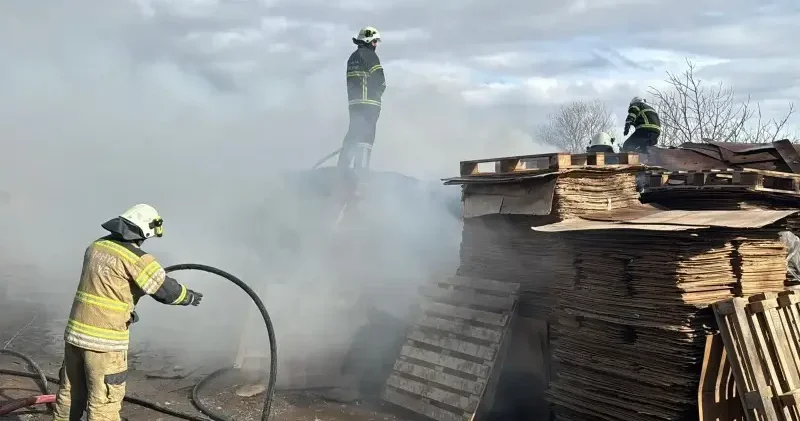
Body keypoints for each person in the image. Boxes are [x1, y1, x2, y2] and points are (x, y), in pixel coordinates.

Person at [52, 204, 203, 421]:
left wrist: (126, 309)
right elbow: (166, 292)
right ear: (145, 232)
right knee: (103, 402)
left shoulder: (95, 247)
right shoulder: (137, 259)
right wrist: (187, 296)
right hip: (105, 345)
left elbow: (107, 287)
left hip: (75, 337)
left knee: (70, 394)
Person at [337, 26, 386, 172]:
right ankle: (362, 171)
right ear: (370, 41)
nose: (376, 45)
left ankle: (343, 167)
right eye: (375, 42)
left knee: (353, 134)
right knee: (366, 138)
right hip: (369, 105)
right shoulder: (370, 56)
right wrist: (377, 95)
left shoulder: (352, 58)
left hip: (354, 104)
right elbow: (381, 81)